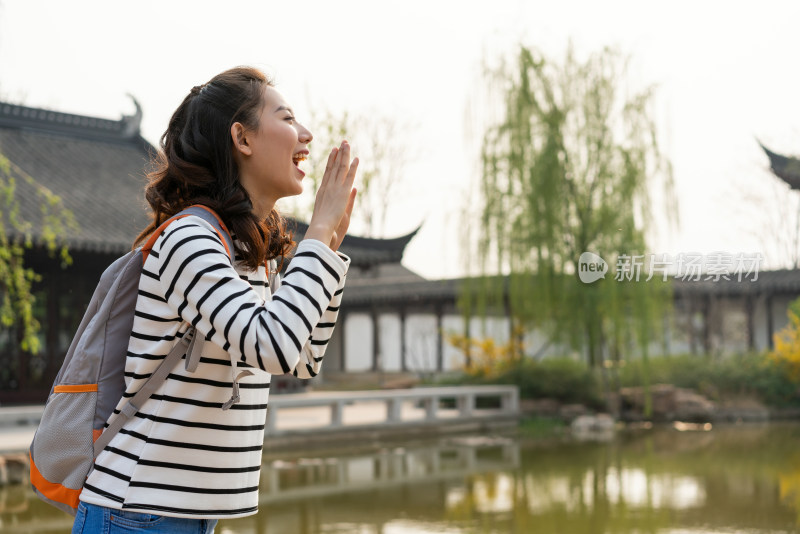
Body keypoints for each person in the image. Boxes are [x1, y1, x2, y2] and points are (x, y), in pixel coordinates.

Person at [71, 66, 358, 533]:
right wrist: (318, 237)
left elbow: (301, 358)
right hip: (137, 511)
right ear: (241, 138)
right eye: (287, 118)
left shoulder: (247, 253)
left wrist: (328, 251)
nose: (305, 135)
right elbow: (272, 344)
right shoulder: (190, 238)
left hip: (189, 515)